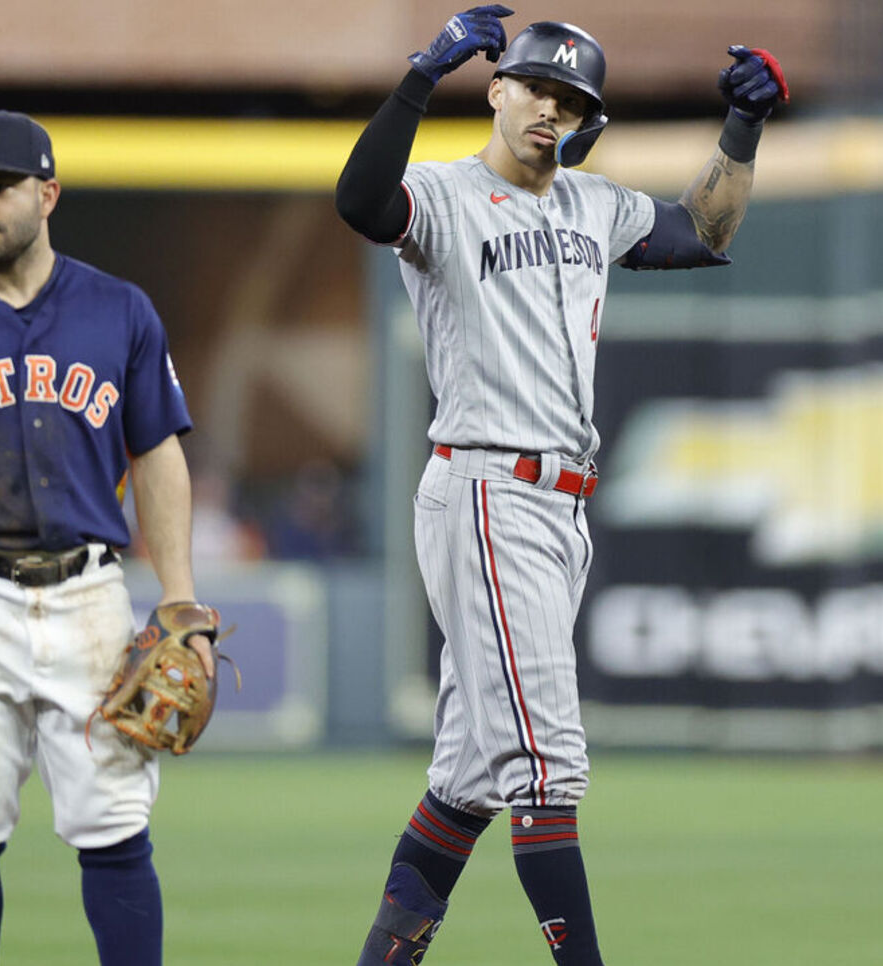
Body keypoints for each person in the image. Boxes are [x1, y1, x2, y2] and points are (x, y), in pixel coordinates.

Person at [335, 8, 787, 966]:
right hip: (488, 487)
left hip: (559, 506)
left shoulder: (593, 204)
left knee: (469, 775)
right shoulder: (443, 197)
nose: (552, 105)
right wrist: (420, 76)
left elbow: (703, 229)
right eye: (537, 85)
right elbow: (361, 204)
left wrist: (741, 130)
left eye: (573, 97)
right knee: (548, 766)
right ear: (496, 88)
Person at [0, 110, 213, 966]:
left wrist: (179, 597)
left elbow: (157, 454)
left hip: (88, 595)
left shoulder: (119, 311)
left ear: (48, 191)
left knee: (115, 827)